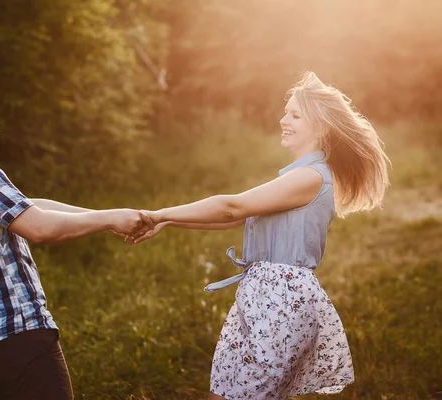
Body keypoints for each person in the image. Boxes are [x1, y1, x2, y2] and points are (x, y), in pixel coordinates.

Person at [131, 72, 390, 399]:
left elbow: (231, 207)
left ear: (322, 127)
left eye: (295, 115)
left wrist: (159, 213)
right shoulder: (300, 176)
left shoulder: (310, 177)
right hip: (262, 298)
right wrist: (169, 222)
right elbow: (232, 219)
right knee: (224, 393)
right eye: (286, 112)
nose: (283, 120)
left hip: (280, 302)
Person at [0, 80, 152, 400]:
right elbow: (39, 227)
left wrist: (109, 217)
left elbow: (27, 208)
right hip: (14, 334)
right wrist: (111, 219)